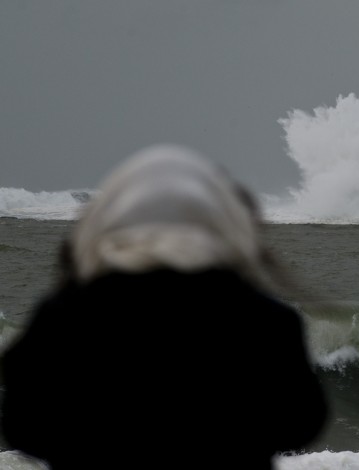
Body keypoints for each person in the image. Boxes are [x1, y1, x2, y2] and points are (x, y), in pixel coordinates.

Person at [0, 144, 328, 469]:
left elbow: (24, 428)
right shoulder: (264, 318)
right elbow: (300, 426)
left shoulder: (65, 314)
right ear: (222, 218)